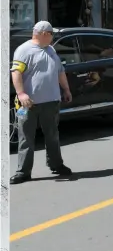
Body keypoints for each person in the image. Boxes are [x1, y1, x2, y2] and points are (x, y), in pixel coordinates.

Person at [10, 21, 73, 185]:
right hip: (28, 104)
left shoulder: (51, 50)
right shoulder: (24, 50)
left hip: (51, 102)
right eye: (52, 34)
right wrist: (21, 93)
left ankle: (56, 165)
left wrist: (66, 90)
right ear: (44, 33)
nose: (53, 37)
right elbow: (16, 73)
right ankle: (23, 172)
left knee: (52, 135)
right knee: (26, 138)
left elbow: (60, 71)